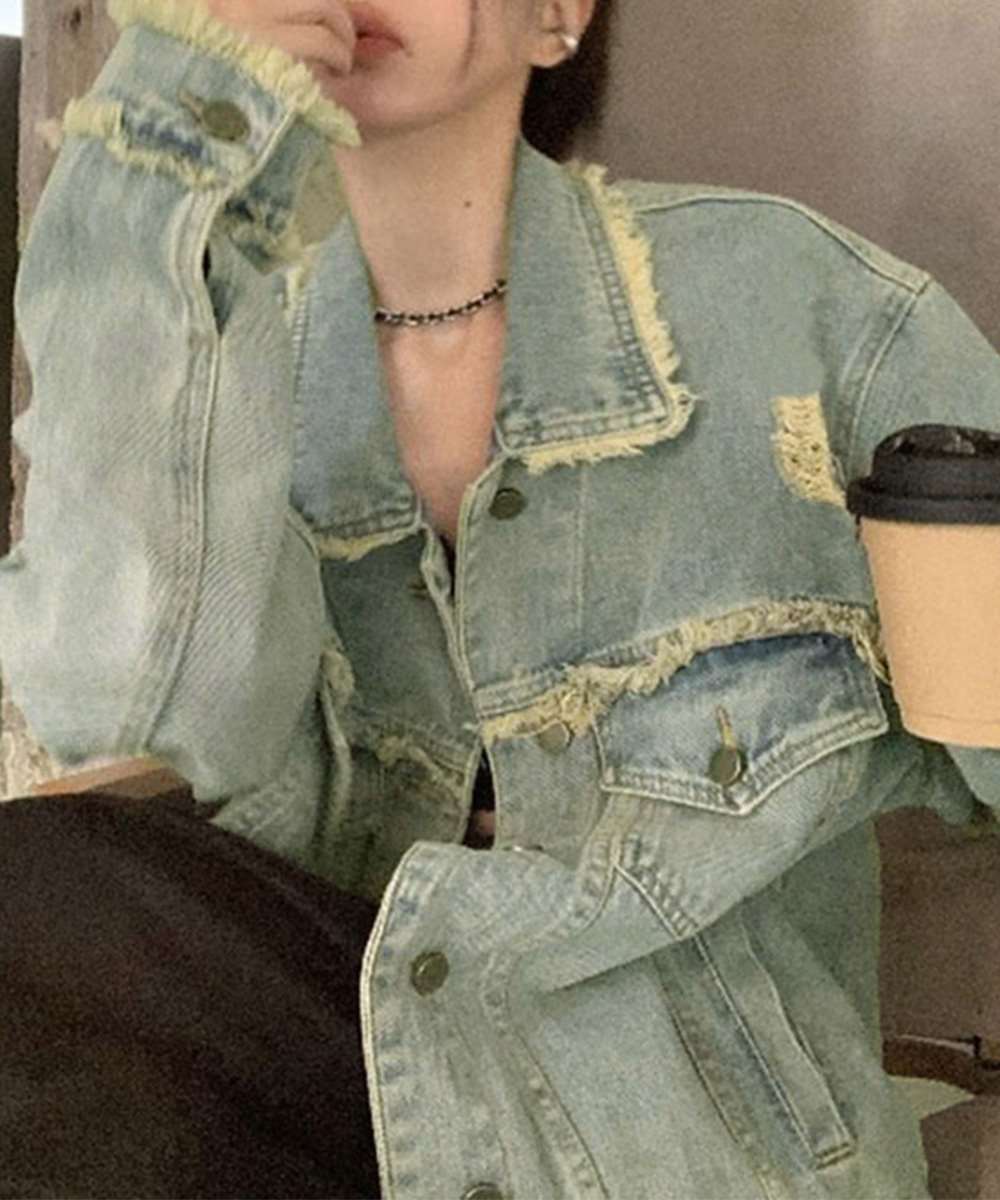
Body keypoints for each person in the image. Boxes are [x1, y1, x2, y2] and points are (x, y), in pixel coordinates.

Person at [1, 1, 999, 1198]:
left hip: (699, 1150)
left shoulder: (804, 311)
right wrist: (172, 150)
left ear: (558, 15)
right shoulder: (226, 361)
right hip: (334, 1101)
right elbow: (132, 720)